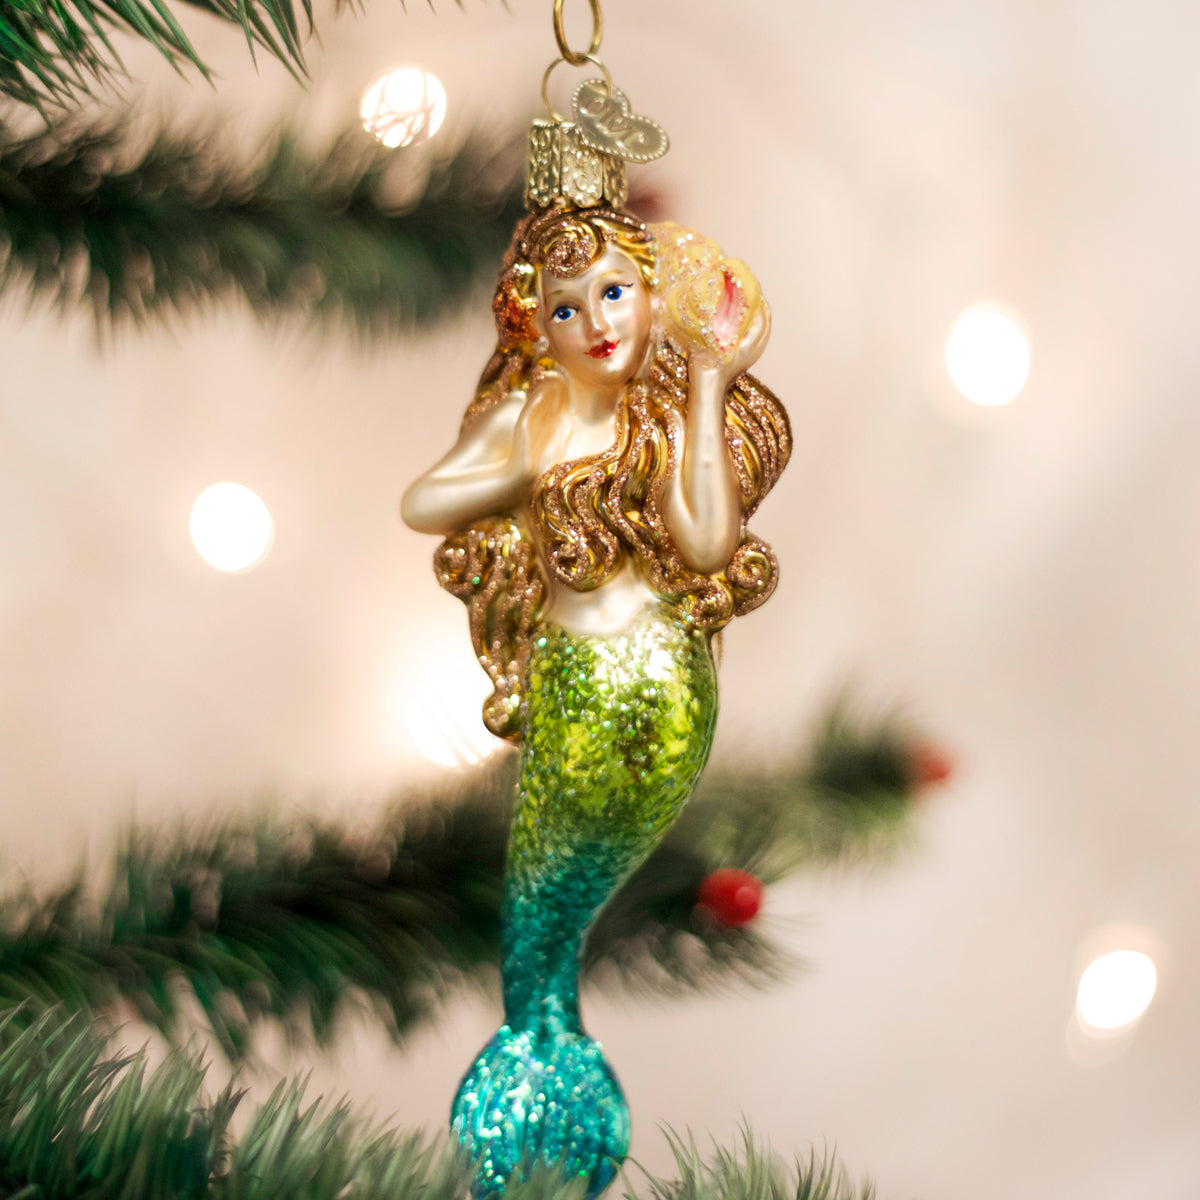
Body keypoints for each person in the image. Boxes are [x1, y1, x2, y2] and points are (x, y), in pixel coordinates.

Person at [401, 203, 790, 1197]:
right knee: (538, 910)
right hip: (570, 686)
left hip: (666, 691)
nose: (598, 323)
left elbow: (706, 541)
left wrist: (709, 379)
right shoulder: (534, 416)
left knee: (560, 900)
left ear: (653, 294)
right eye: (567, 309)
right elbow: (423, 501)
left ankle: (545, 1070)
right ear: (538, 324)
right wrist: (516, 460)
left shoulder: (667, 411)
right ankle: (543, 1073)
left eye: (615, 292)